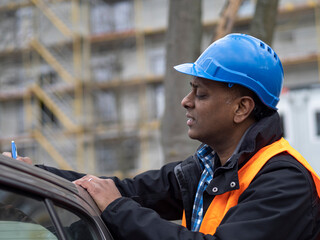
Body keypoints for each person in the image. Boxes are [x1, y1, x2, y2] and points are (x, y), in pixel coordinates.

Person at [5, 33, 320, 239]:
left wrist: (116, 209)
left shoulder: (284, 182)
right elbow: (121, 190)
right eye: (190, 90)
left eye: (201, 93)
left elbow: (118, 202)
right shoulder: (208, 169)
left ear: (241, 108)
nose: (186, 101)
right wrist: (32, 174)